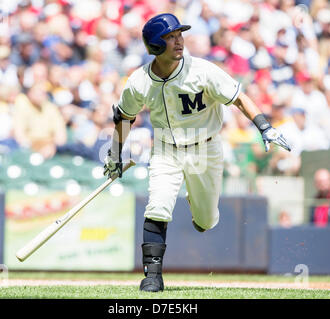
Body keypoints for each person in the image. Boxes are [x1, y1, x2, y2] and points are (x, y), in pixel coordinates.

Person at [102, 13, 291, 292]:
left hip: (206, 148)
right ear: (155, 44)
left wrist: (265, 127)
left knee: (205, 221)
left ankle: (197, 204)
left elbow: (238, 97)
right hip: (166, 149)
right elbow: (125, 117)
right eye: (171, 37)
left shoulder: (203, 71)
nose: (179, 41)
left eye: (180, 35)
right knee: (158, 206)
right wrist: (115, 153)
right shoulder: (139, 81)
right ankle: (152, 276)